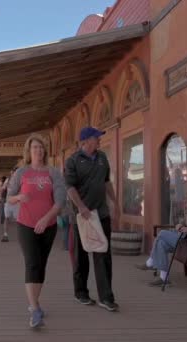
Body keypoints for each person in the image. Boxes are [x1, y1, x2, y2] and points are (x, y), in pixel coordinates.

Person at [7, 134, 66, 329]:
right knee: (32, 263)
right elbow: (9, 197)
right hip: (26, 225)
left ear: (45, 151)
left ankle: (35, 304)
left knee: (41, 265)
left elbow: (60, 201)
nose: (38, 151)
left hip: (48, 226)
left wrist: (46, 218)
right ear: (29, 151)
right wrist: (18, 198)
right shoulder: (21, 172)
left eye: (41, 147)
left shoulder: (53, 172)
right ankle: (34, 310)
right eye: (34, 148)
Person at [64, 126, 118, 312]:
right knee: (82, 256)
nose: (100, 140)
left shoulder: (102, 157)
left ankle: (106, 297)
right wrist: (81, 207)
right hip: (83, 217)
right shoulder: (72, 161)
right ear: (86, 141)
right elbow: (70, 187)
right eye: (97, 137)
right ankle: (81, 292)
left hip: (101, 214)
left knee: (103, 254)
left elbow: (106, 182)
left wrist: (115, 203)